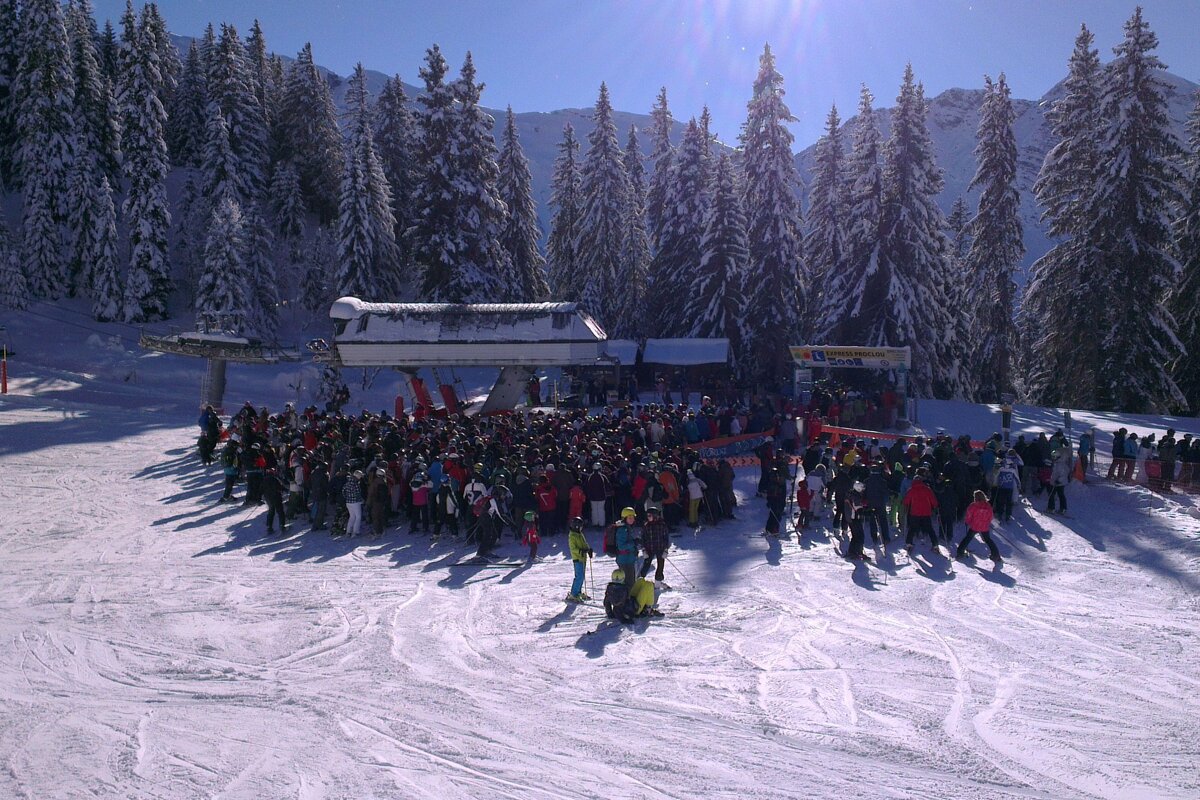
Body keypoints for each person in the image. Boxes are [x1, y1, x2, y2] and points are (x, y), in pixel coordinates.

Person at [958, 490, 1002, 565]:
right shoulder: (987, 505)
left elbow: (969, 515)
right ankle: (996, 555)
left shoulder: (973, 505)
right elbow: (990, 516)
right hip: (984, 526)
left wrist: (967, 522)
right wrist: (987, 522)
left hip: (975, 525)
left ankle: (960, 551)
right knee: (988, 540)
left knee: (968, 538)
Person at [902, 473, 941, 555]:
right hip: (926, 512)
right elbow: (933, 499)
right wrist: (935, 507)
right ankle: (935, 545)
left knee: (912, 528)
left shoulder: (911, 490)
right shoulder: (927, 489)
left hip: (915, 512)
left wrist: (905, 506)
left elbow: (906, 501)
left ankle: (908, 543)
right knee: (930, 529)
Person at [638, 506, 670, 582]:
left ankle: (658, 581)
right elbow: (643, 538)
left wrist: (665, 549)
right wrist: (644, 549)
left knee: (660, 565)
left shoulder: (662, 525)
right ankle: (640, 579)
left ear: (655, 516)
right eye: (647, 516)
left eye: (650, 516)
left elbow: (666, 538)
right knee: (646, 564)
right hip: (650, 549)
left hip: (660, 548)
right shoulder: (646, 526)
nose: (648, 517)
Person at [566, 516, 593, 602]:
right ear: (576, 526)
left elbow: (584, 543)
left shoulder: (580, 534)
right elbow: (573, 549)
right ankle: (573, 594)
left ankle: (578, 592)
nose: (582, 528)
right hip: (577, 559)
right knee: (579, 576)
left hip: (583, 558)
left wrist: (588, 549)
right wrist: (580, 551)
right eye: (580, 526)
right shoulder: (572, 536)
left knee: (582, 576)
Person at [613, 507, 639, 587]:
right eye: (630, 518)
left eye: (633, 518)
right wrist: (633, 543)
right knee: (628, 583)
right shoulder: (622, 530)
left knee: (630, 582)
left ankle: (627, 597)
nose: (632, 520)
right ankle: (626, 598)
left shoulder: (627, 528)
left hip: (629, 559)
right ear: (624, 518)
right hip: (624, 560)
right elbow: (621, 546)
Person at [262, 466, 287, 535]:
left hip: (268, 498)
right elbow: (280, 486)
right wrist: (285, 490)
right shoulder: (275, 479)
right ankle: (282, 526)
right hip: (276, 497)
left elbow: (261, 489)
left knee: (271, 511)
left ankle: (269, 527)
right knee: (280, 511)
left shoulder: (264, 480)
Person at [1047, 449, 1070, 514]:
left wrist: (1059, 480)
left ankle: (1053, 508)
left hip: (1058, 483)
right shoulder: (1056, 463)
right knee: (1055, 495)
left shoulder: (1060, 464)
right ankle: (1057, 508)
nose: (1052, 458)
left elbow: (1064, 473)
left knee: (1055, 495)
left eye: (1053, 457)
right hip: (1055, 482)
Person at [343, 469, 365, 536]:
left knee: (352, 516)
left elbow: (343, 491)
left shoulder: (347, 482)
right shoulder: (356, 484)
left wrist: (347, 498)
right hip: (355, 502)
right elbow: (358, 493)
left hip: (348, 502)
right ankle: (356, 532)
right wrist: (361, 500)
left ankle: (348, 531)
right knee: (358, 517)